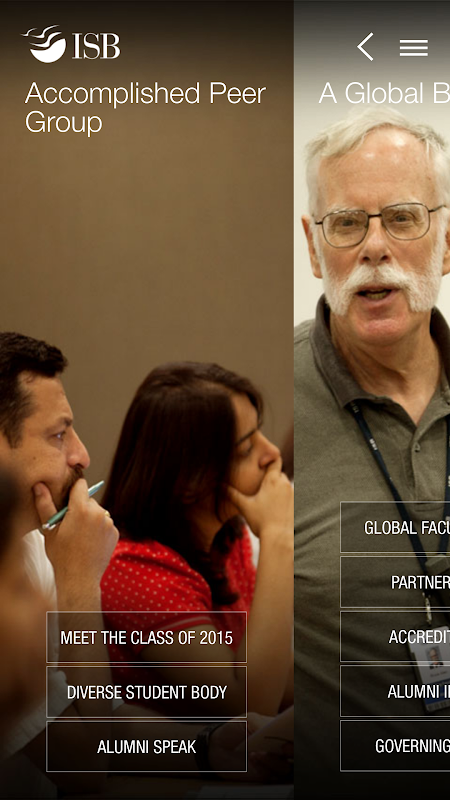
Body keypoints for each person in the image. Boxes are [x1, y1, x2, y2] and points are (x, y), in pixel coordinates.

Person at [295, 108, 450, 796]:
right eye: (347, 223)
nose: (375, 247)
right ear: (313, 247)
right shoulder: (264, 403)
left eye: (404, 218)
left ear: (447, 242)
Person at [101, 361, 293, 717]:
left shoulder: (226, 535)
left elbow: (278, 678)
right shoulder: (129, 569)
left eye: (260, 433)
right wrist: (279, 536)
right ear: (187, 482)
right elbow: (248, 710)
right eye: (245, 449)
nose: (272, 454)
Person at [0, 469, 48, 744]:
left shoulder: (31, 541)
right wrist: (81, 580)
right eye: (20, 587)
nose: (45, 604)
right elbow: (85, 758)